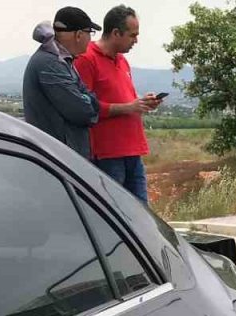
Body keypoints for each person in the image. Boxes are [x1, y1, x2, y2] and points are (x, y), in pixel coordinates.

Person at [74, 5, 162, 202]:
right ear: (115, 33)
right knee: (116, 212)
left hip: (132, 151)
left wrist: (143, 103)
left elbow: (123, 98)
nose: (136, 41)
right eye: (132, 35)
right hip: (107, 154)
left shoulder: (122, 61)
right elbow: (85, 106)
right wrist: (129, 107)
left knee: (141, 214)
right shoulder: (86, 59)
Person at [23, 7, 101, 159]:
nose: (90, 39)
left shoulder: (62, 60)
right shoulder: (50, 63)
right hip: (57, 157)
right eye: (89, 33)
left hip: (61, 155)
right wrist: (89, 102)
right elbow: (81, 111)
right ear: (79, 35)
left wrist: (88, 100)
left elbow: (86, 99)